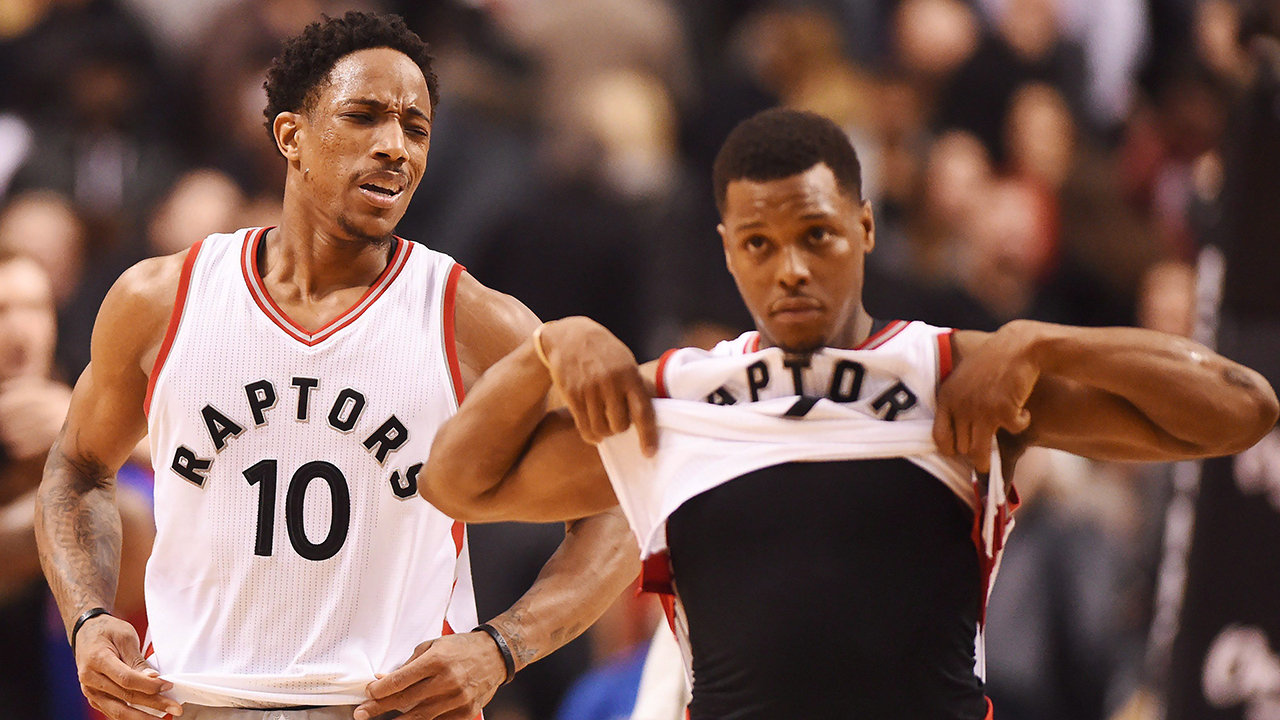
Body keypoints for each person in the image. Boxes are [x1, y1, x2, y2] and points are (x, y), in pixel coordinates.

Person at [419, 109, 1279, 720]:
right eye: (760, 244)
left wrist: (1047, 343)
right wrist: (547, 349)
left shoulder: (957, 374)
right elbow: (455, 482)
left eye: (817, 236)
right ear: (727, 251)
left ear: (865, 228)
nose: (789, 268)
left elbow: (1241, 411)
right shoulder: (671, 401)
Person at [33, 12, 639, 720]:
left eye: (416, 129)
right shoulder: (161, 300)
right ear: (290, 135)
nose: (395, 147)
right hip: (192, 701)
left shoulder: (469, 317)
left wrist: (500, 646)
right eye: (365, 116)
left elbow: (620, 498)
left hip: (382, 706)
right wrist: (88, 617)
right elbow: (76, 469)